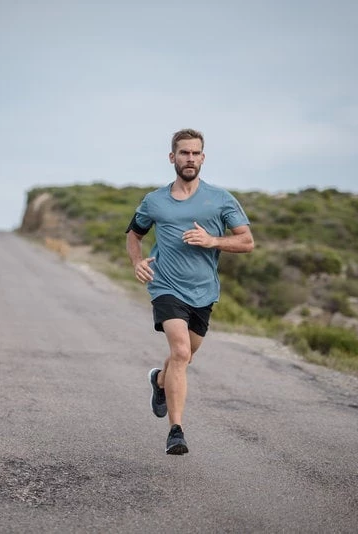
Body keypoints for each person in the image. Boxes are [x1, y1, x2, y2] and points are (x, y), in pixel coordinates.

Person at [125, 128, 254, 455]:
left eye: (196, 153)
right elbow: (134, 233)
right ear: (173, 157)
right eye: (184, 153)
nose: (190, 159)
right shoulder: (155, 201)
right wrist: (137, 262)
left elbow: (247, 241)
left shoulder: (220, 199)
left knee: (186, 356)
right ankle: (176, 432)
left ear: (203, 158)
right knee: (180, 351)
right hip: (165, 285)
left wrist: (213, 241)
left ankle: (159, 381)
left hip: (203, 291)